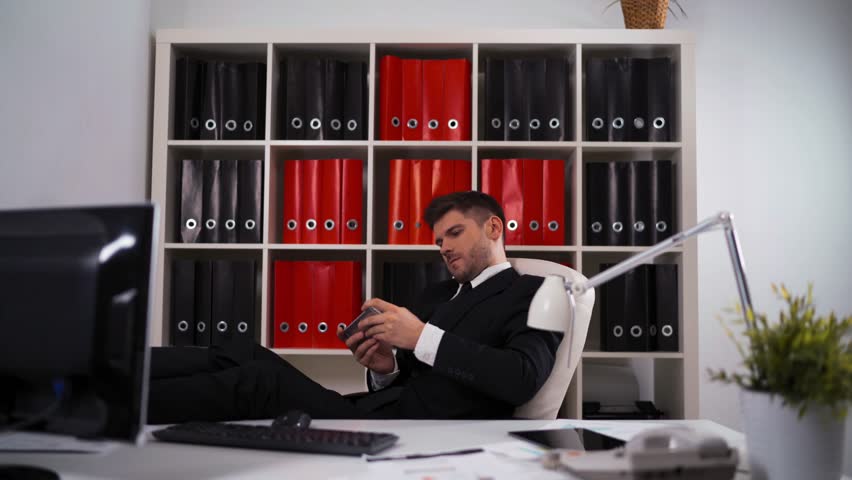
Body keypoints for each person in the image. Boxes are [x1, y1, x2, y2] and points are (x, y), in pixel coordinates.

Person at [147, 191, 561, 423]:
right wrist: (386, 370)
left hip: (421, 431)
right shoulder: (435, 295)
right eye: (438, 241)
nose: (445, 248)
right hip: (371, 411)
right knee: (246, 352)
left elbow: (521, 378)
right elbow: (411, 377)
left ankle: (118, 404)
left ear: (493, 227)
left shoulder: (536, 293)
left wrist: (419, 337)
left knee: (260, 381)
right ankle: (123, 369)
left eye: (454, 233)